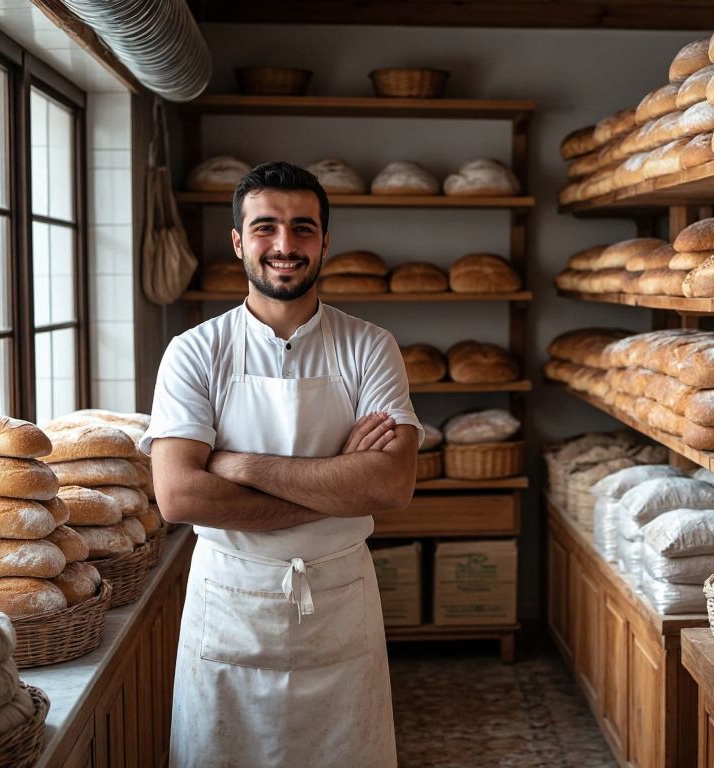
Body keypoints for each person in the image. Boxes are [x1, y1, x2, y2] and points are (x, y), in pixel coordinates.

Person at [141, 161, 419, 767]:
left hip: (339, 602)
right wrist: (336, 480)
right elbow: (180, 498)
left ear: (325, 241)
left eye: (303, 229)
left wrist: (237, 465)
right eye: (265, 228)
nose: (285, 246)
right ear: (238, 242)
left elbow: (393, 484)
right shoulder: (195, 352)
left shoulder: (370, 346)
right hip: (231, 604)